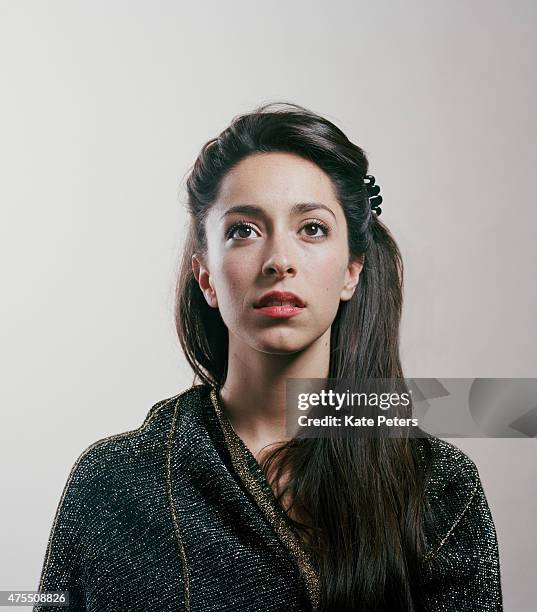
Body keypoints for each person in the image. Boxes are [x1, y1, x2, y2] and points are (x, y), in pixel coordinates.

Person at [35, 102, 503, 611]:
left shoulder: (436, 486)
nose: (280, 261)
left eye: (312, 229)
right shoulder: (114, 483)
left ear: (352, 271)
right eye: (244, 230)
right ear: (206, 276)